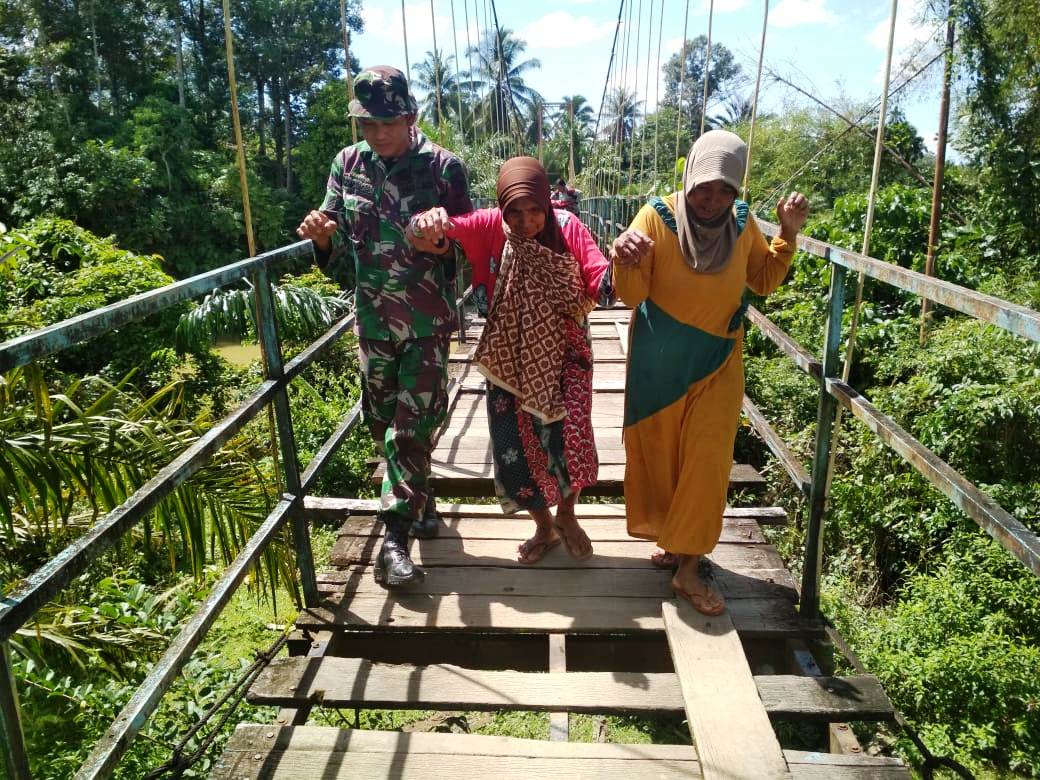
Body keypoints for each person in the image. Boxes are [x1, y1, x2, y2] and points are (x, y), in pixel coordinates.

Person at [610, 130, 809, 615]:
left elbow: (762, 280)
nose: (711, 199)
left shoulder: (742, 224)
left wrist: (789, 233)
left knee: (707, 460)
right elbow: (631, 296)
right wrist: (624, 256)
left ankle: (689, 567)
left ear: (738, 190)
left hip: (718, 364)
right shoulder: (655, 218)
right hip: (658, 365)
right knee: (661, 455)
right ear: (689, 177)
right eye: (703, 187)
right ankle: (675, 540)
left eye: (725, 189)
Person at [296, 65, 473, 587]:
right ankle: (421, 498)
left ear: (411, 116)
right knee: (383, 425)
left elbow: (469, 247)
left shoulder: (444, 167)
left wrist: (440, 244)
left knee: (409, 427)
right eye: (368, 125)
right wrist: (320, 236)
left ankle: (392, 542)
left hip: (426, 321)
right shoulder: (346, 164)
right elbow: (329, 246)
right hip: (371, 321)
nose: (377, 134)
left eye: (387, 123)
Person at [408, 157, 614, 564]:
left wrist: (623, 269)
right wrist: (425, 222)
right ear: (502, 209)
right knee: (512, 444)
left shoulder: (568, 227)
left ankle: (567, 517)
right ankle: (543, 527)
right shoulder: (490, 226)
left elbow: (599, 273)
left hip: (566, 351)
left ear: (546, 203)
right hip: (507, 352)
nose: (525, 222)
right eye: (514, 212)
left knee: (569, 436)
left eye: (535, 209)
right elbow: (433, 231)